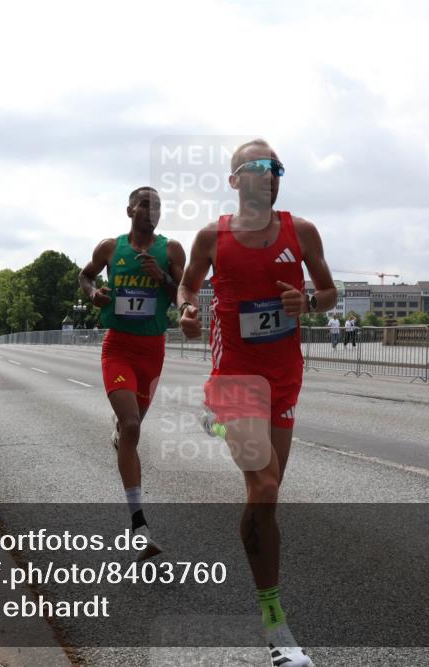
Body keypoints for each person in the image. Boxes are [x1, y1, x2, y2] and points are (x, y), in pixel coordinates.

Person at [178, 139, 336, 667]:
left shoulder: (303, 232)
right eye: (262, 167)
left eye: (278, 168)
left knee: (267, 501)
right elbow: (187, 288)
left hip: (285, 377)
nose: (272, 175)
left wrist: (309, 302)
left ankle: (218, 425)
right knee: (264, 484)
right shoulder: (210, 238)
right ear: (235, 180)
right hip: (236, 377)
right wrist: (187, 313)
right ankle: (276, 629)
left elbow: (329, 293)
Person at [79, 186, 186, 561]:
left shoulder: (171, 250)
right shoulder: (111, 248)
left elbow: (181, 296)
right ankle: (139, 524)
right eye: (144, 204)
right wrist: (93, 293)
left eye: (156, 206)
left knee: (131, 426)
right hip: (119, 347)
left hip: (152, 350)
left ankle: (121, 428)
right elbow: (85, 275)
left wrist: (161, 277)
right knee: (133, 426)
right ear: (129, 210)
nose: (150, 210)